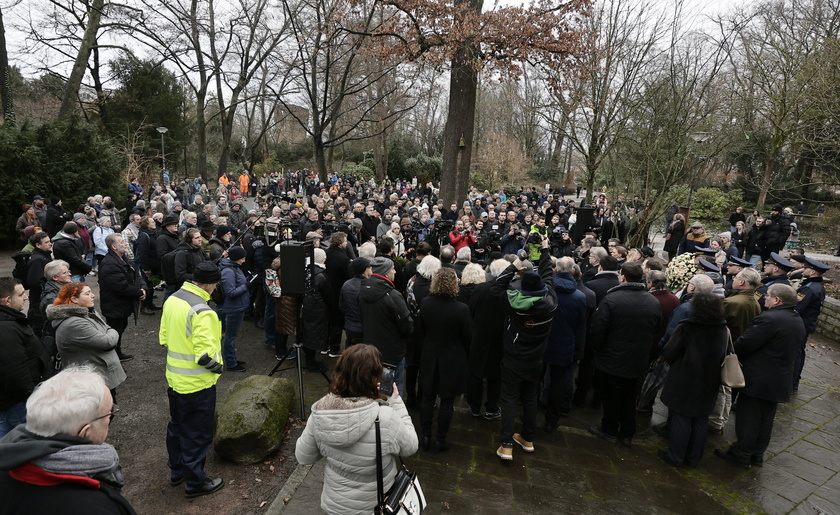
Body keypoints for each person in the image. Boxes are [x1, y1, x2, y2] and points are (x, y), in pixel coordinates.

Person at [295, 344, 418, 515]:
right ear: (376, 378)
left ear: (340, 372)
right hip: (377, 505)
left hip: (336, 505)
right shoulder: (386, 418)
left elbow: (303, 456)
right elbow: (411, 446)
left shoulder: (321, 412)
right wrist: (395, 401)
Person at [0, 366, 137, 514]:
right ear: (85, 432)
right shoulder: (94, 506)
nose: (110, 417)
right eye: (109, 413)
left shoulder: (8, 465)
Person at [715, 284, 805, 469]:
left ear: (777, 300)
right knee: (765, 419)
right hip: (778, 379)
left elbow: (746, 343)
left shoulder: (769, 319)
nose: (764, 298)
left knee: (749, 418)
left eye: (768, 296)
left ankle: (741, 453)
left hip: (758, 379)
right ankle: (757, 454)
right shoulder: (796, 318)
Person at [159, 261, 225, 497]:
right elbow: (205, 356)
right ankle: (195, 482)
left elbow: (164, 338)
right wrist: (219, 368)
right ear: (209, 283)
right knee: (197, 433)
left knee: (176, 426)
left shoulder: (174, 298)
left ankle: (177, 471)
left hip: (175, 379)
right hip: (198, 384)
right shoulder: (203, 311)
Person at [493, 236, 557, 461]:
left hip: (514, 356)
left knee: (509, 398)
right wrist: (546, 250)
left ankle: (507, 443)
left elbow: (497, 287)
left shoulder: (514, 305)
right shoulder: (551, 302)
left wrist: (514, 265)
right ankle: (528, 438)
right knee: (530, 396)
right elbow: (548, 273)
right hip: (537, 357)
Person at [588, 262, 662, 447]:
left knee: (611, 397)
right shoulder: (653, 301)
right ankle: (627, 433)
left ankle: (609, 430)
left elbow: (598, 329)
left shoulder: (612, 299)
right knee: (630, 397)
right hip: (637, 359)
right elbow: (656, 327)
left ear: (623, 277)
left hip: (611, 359)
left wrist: (596, 349)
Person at [658, 292, 728, 468]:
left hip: (685, 378)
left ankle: (676, 455)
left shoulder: (688, 327)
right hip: (709, 379)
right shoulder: (722, 328)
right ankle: (694, 457)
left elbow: (670, 350)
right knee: (700, 419)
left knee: (681, 417)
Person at [416, 268, 472, 451]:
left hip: (430, 355)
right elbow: (467, 337)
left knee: (427, 397)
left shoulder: (425, 303)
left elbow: (420, 332)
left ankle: (425, 435)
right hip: (452, 358)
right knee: (447, 402)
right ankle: (440, 439)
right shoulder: (461, 309)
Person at [46, 283, 125, 401]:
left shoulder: (86, 312)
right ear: (74, 299)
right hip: (93, 379)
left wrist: (108, 330)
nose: (93, 295)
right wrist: (113, 330)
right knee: (104, 413)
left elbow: (105, 328)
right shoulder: (74, 323)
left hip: (97, 375)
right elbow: (107, 341)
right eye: (87, 294)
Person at [0, 277, 49, 438]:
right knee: (33, 440)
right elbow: (14, 371)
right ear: (8, 300)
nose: (26, 297)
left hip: (14, 401)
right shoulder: (6, 329)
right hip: (20, 402)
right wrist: (32, 395)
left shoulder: (11, 320)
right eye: (21, 295)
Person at [543, 257, 587, 431]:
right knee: (557, 383)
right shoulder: (580, 297)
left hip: (542, 341)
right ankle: (552, 420)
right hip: (564, 344)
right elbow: (580, 324)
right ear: (573, 272)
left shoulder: (546, 290)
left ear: (555, 270)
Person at [358, 257, 413, 391]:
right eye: (392, 269)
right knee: (394, 388)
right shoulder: (392, 296)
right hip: (392, 353)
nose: (395, 272)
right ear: (385, 273)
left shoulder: (362, 289)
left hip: (371, 348)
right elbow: (407, 325)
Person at [466, 259, 508, 420]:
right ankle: (491, 407)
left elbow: (471, 310)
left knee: (476, 372)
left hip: (480, 336)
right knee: (495, 375)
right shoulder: (508, 291)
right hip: (499, 339)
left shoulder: (481, 289)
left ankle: (474, 406)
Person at [98, 234, 145, 362]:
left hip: (121, 304)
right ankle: (112, 357)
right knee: (114, 331)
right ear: (114, 246)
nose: (125, 243)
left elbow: (136, 275)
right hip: (114, 305)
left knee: (119, 329)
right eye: (122, 242)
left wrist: (142, 288)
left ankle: (116, 354)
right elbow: (120, 287)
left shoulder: (122, 258)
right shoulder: (110, 264)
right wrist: (139, 292)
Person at [792, 257, 829, 392]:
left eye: (806, 268)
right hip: (805, 324)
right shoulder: (815, 286)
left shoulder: (809, 289)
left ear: (812, 272)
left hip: (801, 324)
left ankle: (792, 382)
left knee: (796, 354)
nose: (803, 270)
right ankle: (794, 381)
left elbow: (797, 307)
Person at [217, 246, 249, 372]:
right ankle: (231, 363)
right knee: (230, 336)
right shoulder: (228, 271)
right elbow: (230, 292)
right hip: (234, 308)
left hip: (238, 306)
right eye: (242, 258)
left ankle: (232, 359)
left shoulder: (234, 267)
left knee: (231, 335)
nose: (244, 260)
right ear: (236, 258)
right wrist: (246, 286)